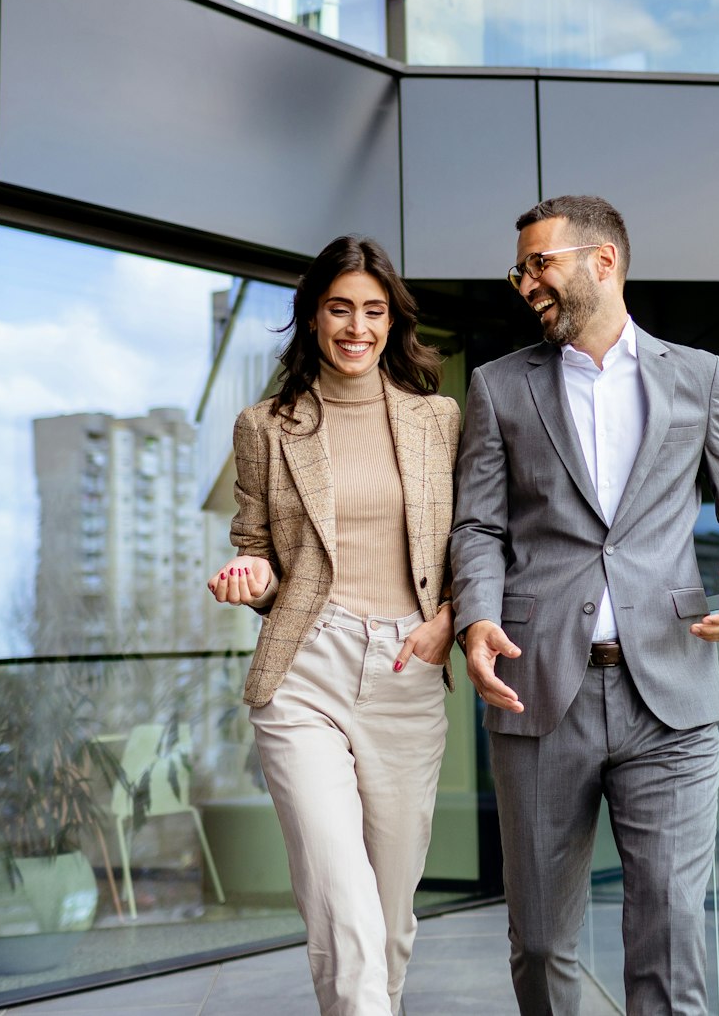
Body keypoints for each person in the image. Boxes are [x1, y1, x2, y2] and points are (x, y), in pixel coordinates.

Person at [450, 195, 719, 1015]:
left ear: (604, 261)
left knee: (670, 931)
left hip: (669, 688)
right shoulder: (499, 387)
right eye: (519, 268)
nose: (524, 282)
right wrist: (476, 614)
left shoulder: (697, 375)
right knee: (541, 944)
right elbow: (480, 524)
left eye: (539, 263)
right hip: (537, 691)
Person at [207, 235, 461, 1016]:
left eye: (374, 310)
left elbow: (478, 544)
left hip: (406, 667)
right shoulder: (264, 427)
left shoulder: (438, 419)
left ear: (393, 320)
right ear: (314, 316)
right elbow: (256, 549)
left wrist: (450, 619)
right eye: (340, 308)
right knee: (340, 898)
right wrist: (252, 577)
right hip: (304, 668)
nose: (357, 326)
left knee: (385, 916)